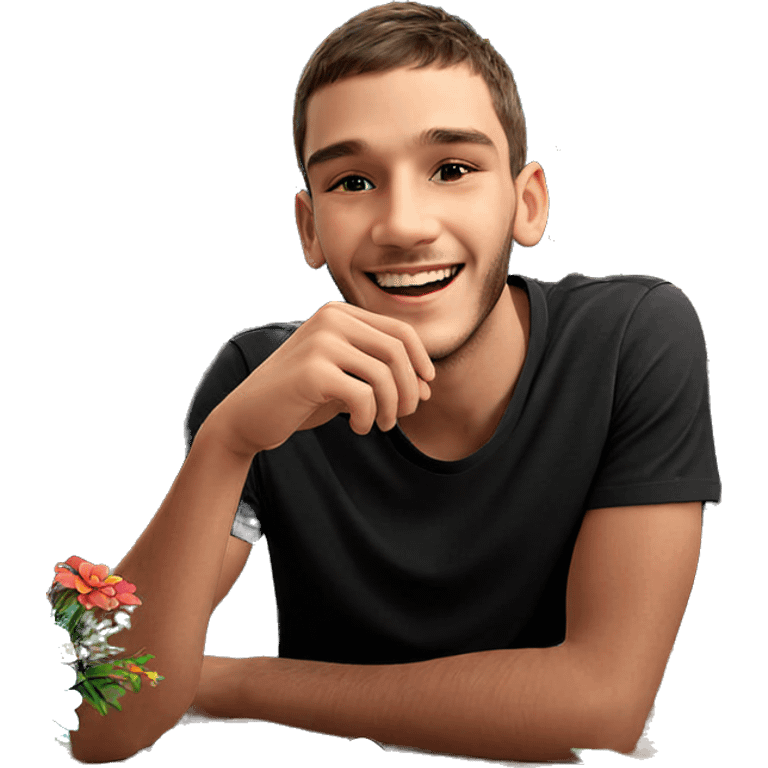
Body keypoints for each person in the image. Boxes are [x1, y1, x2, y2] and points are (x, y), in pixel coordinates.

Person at [68, 3, 720, 764]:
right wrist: (227, 443)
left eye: (452, 169)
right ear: (310, 228)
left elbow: (601, 709)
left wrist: (231, 685)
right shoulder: (257, 383)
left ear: (527, 202)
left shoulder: (633, 336)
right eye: (353, 181)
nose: (405, 224)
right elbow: (103, 724)